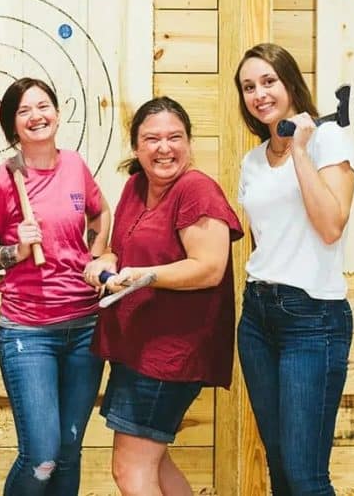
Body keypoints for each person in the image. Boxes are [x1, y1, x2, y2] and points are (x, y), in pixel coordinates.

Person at [85, 96, 243, 496]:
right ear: (136, 148)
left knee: (129, 468)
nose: (164, 147)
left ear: (189, 143)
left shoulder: (197, 190)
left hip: (168, 355)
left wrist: (145, 277)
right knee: (154, 464)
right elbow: (122, 250)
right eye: (152, 139)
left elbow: (209, 268)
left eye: (175, 137)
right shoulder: (137, 186)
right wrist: (102, 262)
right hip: (136, 348)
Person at [0, 77, 110, 496]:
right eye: (25, 110)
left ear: (57, 112)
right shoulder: (0, 182)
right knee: (42, 454)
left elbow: (101, 214)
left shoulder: (75, 166)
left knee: (69, 450)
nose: (37, 115)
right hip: (29, 333)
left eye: (43, 105)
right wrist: (16, 251)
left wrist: (97, 255)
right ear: (12, 126)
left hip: (85, 328)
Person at [235, 43, 354, 495]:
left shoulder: (327, 140)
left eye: (268, 81)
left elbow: (330, 226)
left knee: (307, 477)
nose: (259, 94)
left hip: (313, 319)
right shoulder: (251, 160)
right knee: (281, 469)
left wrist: (300, 151)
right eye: (249, 87)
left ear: (289, 83)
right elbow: (265, 240)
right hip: (258, 315)